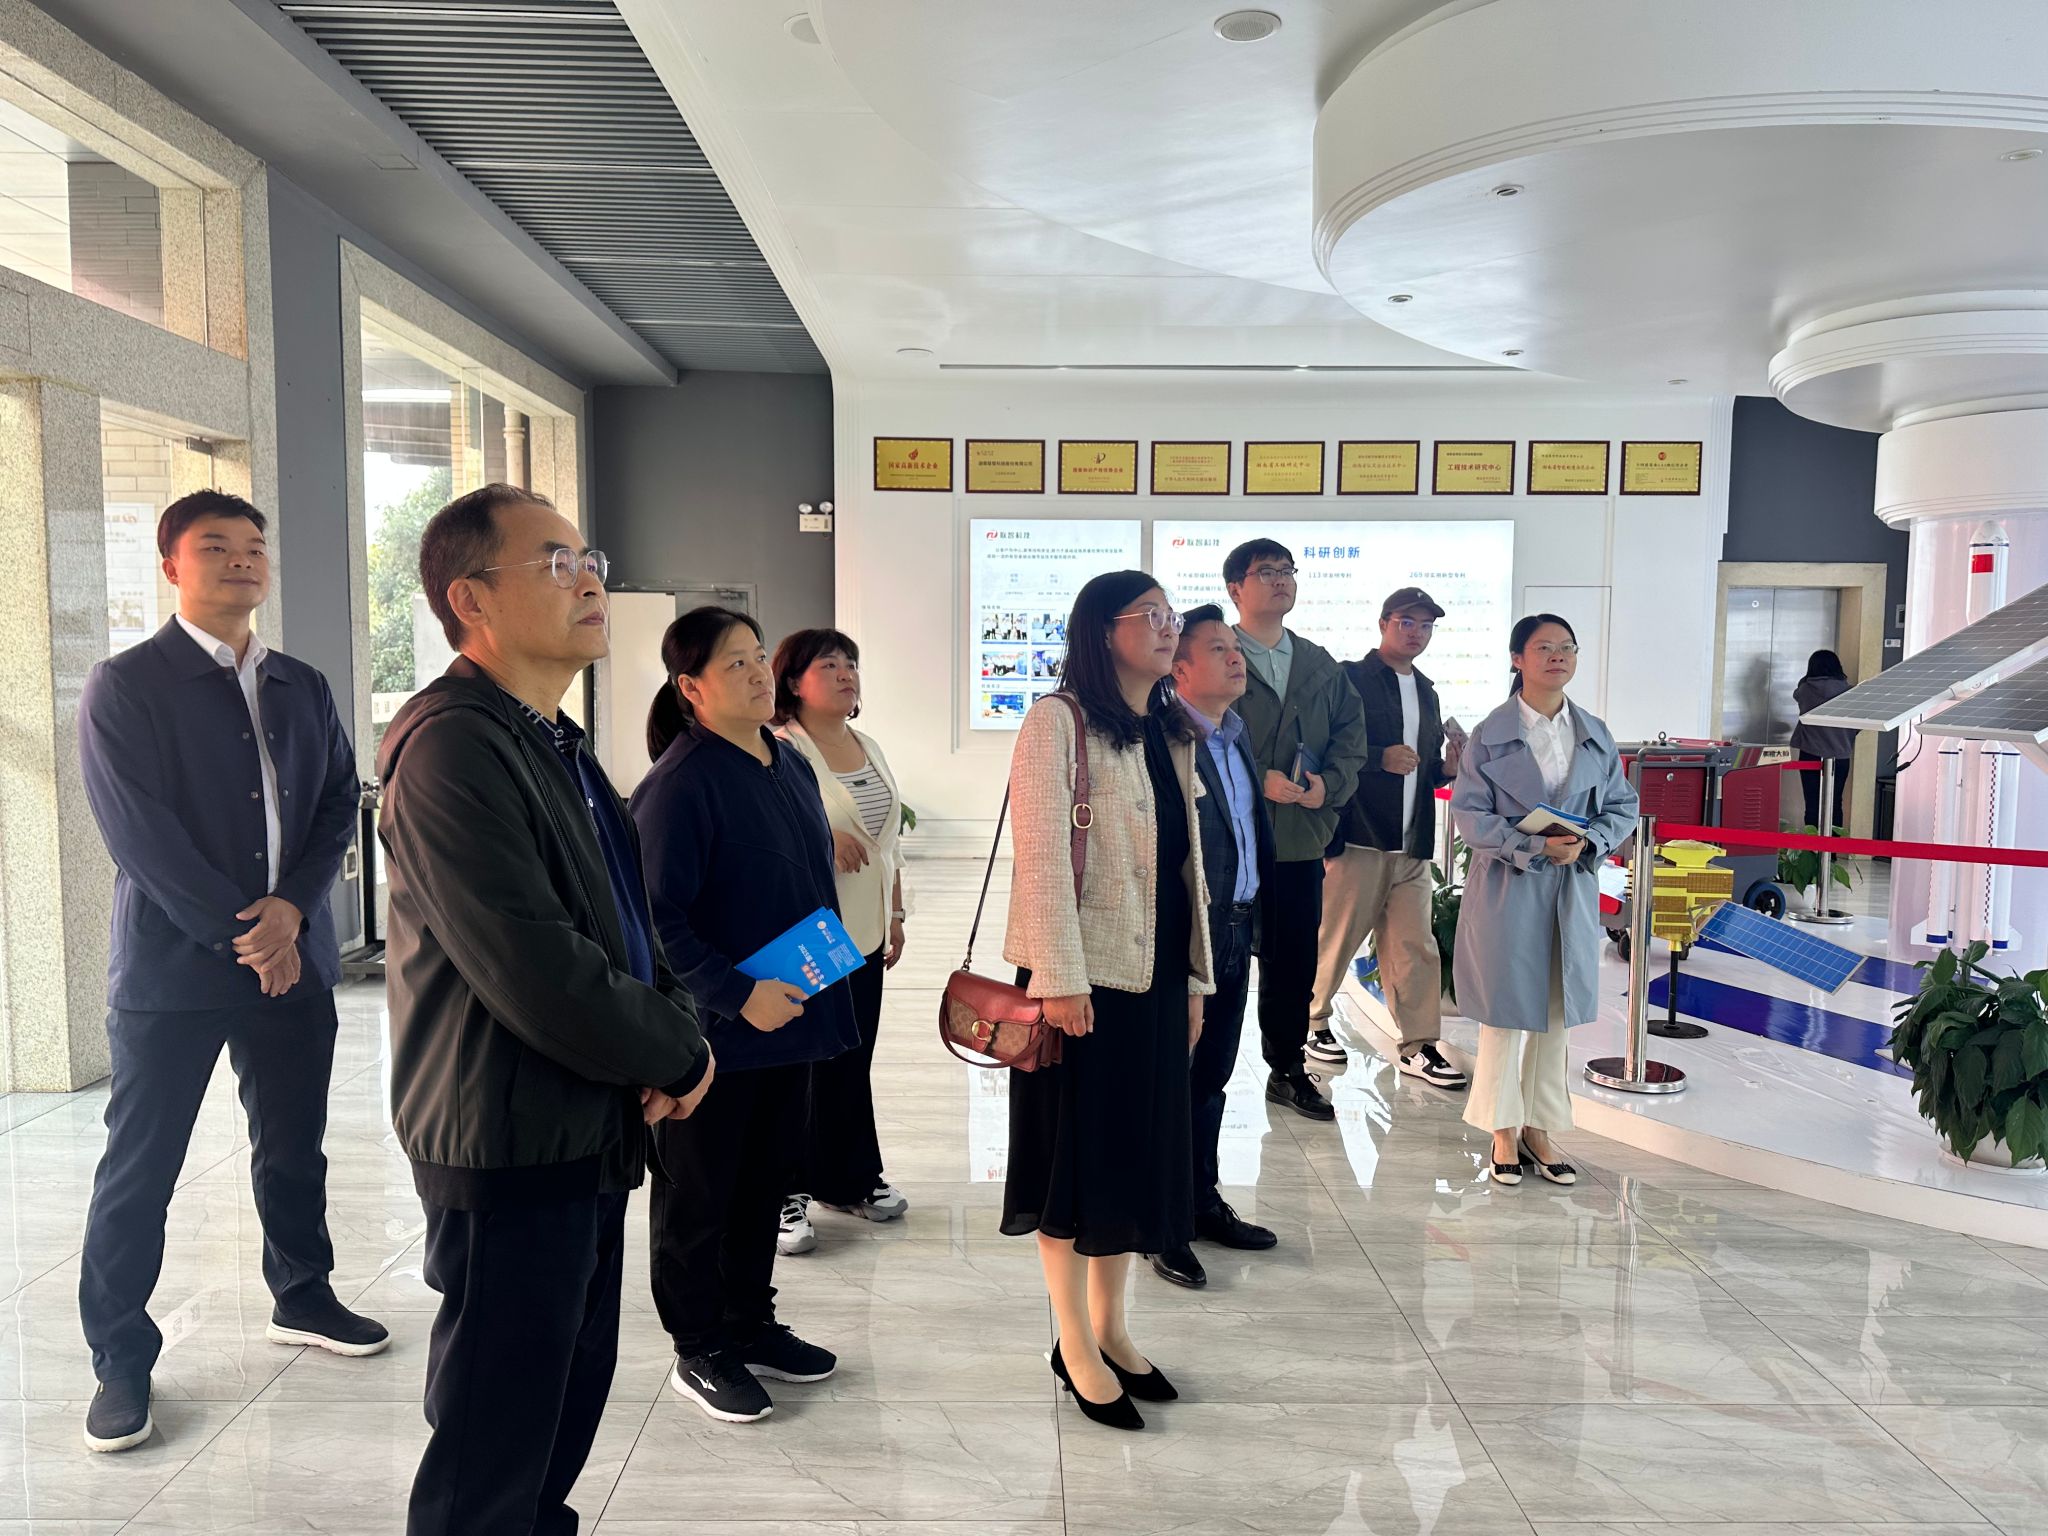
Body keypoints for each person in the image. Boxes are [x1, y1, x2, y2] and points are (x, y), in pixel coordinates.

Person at [378, 483, 714, 1535]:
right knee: (494, 1443)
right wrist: (680, 1054)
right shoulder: (452, 747)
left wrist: (674, 1031)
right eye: (557, 563)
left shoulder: (553, 741)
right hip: (507, 1136)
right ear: (470, 599)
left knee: (559, 1413)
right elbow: (531, 962)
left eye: (589, 559)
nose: (590, 580)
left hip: (581, 1126)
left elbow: (627, 922)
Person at [75, 489, 383, 1456]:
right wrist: (251, 935)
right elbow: (142, 836)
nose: (243, 559)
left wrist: (295, 911)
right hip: (173, 973)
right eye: (217, 547)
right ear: (172, 565)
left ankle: (303, 1295)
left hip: (292, 961)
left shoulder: (300, 683)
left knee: (293, 1147)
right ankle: (120, 1356)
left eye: (254, 546)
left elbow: (337, 801)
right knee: (142, 1167)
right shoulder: (126, 685)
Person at [632, 607, 860, 1425]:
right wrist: (734, 993)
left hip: (790, 1023)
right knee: (699, 1195)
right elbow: (656, 920)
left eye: (759, 656)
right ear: (691, 688)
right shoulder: (679, 784)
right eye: (735, 663)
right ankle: (699, 1345)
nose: (759, 671)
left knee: (764, 1183)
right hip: (717, 1037)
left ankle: (750, 1323)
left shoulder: (785, 760)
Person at [1003, 570, 1214, 1431]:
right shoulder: (1056, 722)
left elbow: (1185, 870)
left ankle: (1113, 1330)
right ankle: (1072, 1343)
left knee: (1130, 1158)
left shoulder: (1164, 727)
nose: (1169, 628)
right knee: (1073, 1164)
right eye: (1151, 615)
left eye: (1172, 614)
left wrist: (1193, 980)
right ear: (1103, 630)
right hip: (1080, 984)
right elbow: (1042, 858)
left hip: (1153, 977)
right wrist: (1059, 978)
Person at [1452, 614, 1638, 1187]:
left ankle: (1541, 1126)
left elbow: (1622, 805)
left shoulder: (1594, 732)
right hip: (1509, 887)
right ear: (1518, 659)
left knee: (1556, 1014)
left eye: (1567, 647)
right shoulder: (1489, 733)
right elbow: (1470, 814)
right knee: (1506, 1013)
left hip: (1570, 885)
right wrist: (1533, 845)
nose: (1557, 656)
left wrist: (1589, 841)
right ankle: (1502, 1129)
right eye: (1543, 647)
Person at [770, 627, 910, 1257]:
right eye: (828, 665)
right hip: (809, 934)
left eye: (850, 663)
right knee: (803, 1064)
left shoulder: (866, 744)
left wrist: (895, 912)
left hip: (865, 928)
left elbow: (888, 843)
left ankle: (848, 1178)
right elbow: (768, 837)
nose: (845, 673)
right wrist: (824, 840)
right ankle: (784, 1192)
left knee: (852, 1058)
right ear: (793, 682)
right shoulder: (779, 747)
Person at [1151, 605, 1277, 1290]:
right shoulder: (1163, 738)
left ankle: (1201, 1201)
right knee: (1172, 1079)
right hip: (1187, 934)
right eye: (1219, 648)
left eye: (1237, 647)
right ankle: (1161, 1222)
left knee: (1212, 1077)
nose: (1236, 658)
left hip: (1237, 925)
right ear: (1180, 669)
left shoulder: (1235, 731)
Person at [1223, 538, 1369, 1123]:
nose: (1281, 580)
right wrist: (1256, 776)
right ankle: (1196, 1070)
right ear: (1235, 588)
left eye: (1287, 570)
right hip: (1226, 839)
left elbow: (1351, 740)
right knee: (1219, 958)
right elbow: (1193, 729)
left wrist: (1326, 787)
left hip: (1298, 839)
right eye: (1266, 572)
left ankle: (1286, 1068)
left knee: (1292, 961)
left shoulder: (1319, 663)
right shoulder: (1214, 654)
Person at [1309, 587, 1468, 1089]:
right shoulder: (1349, 678)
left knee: (1415, 947)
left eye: (1426, 625)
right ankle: (1311, 1022)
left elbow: (1422, 769)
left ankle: (1418, 1045)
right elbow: (1324, 746)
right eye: (1406, 622)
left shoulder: (1427, 691)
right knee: (1335, 937)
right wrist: (1379, 757)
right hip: (1360, 835)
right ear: (1383, 623)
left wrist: (1448, 768)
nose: (1416, 632)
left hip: (1412, 843)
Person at [1792, 649, 1853, 831]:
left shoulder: (1805, 690)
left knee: (1811, 802)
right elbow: (1857, 725)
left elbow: (1797, 695)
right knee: (1835, 802)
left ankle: (1812, 846)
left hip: (1810, 753)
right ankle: (1834, 846)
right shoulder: (1850, 692)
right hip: (1840, 755)